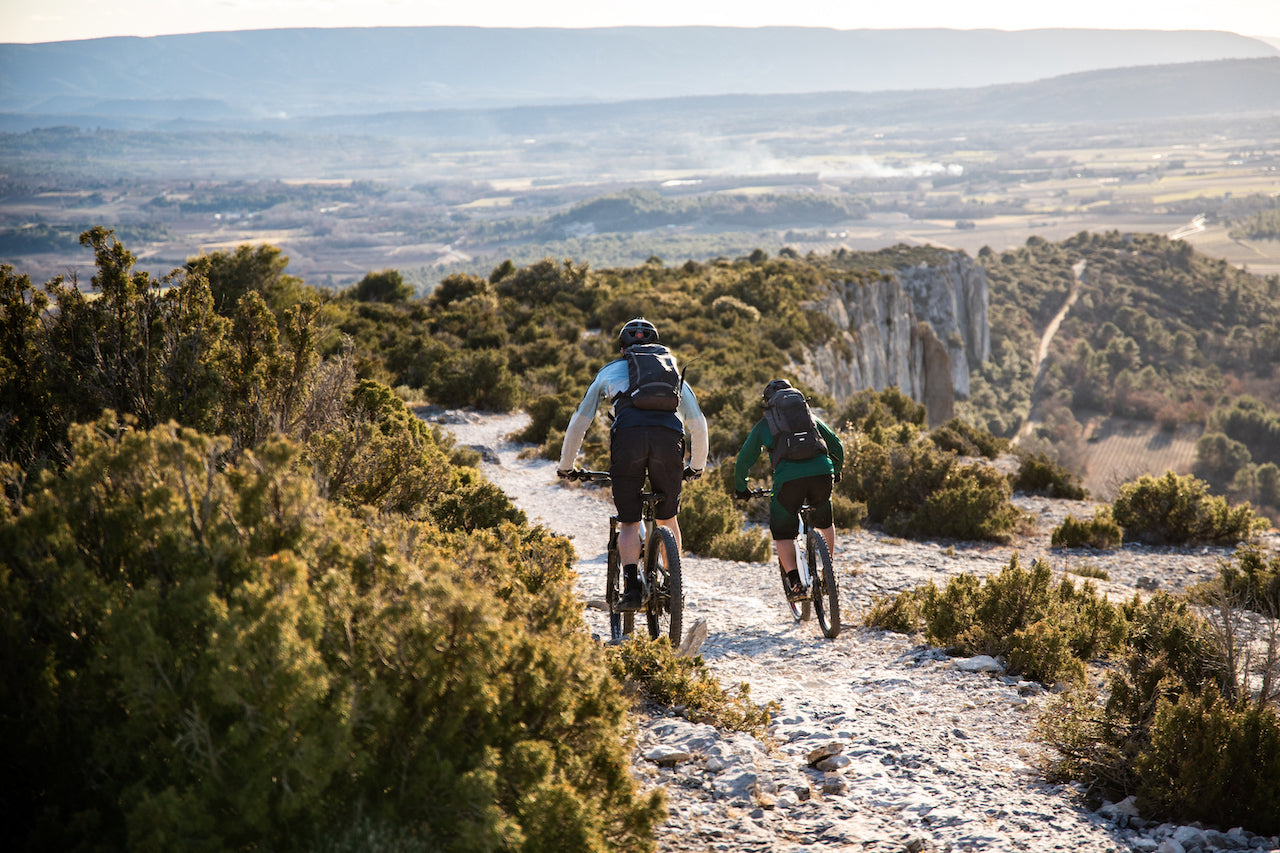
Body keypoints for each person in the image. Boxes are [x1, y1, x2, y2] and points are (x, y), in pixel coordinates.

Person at [557, 318, 709, 610]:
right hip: (669, 439)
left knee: (629, 520)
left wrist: (567, 465)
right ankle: (672, 587)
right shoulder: (671, 372)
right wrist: (697, 465)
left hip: (629, 439)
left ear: (622, 348)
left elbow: (580, 423)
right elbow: (698, 425)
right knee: (668, 519)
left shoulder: (608, 372)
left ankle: (631, 589)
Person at [733, 379, 845, 600]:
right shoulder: (811, 419)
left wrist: (741, 488)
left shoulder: (766, 424)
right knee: (825, 521)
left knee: (784, 533)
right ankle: (827, 573)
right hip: (822, 473)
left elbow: (743, 461)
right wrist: (837, 471)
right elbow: (837, 445)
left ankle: (795, 585)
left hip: (788, 481)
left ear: (769, 404)